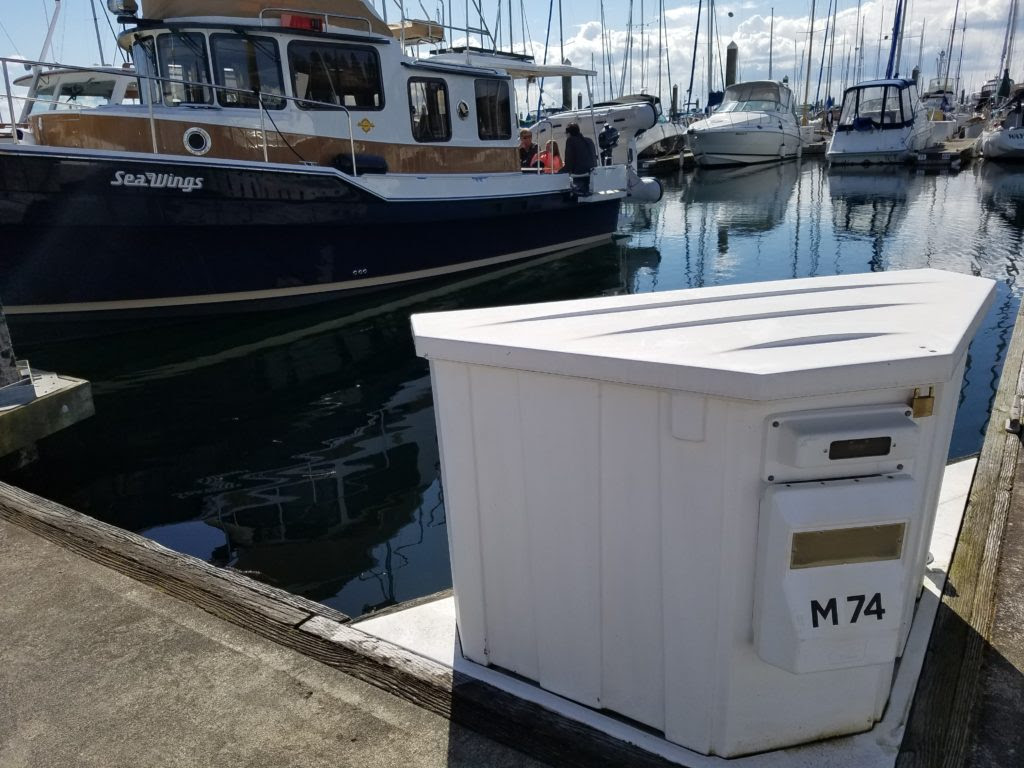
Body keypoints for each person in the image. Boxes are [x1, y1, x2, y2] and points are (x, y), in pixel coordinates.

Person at [561, 122, 597, 194]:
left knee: (558, 175)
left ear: (569, 133)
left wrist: (560, 172)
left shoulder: (570, 140)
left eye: (566, 134)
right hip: (592, 172)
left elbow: (569, 162)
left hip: (580, 173)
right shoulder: (589, 140)